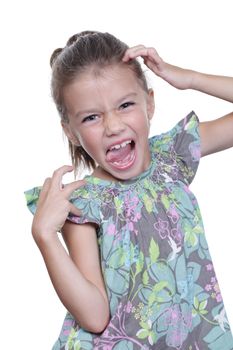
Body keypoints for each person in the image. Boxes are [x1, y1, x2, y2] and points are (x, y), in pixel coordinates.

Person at [25, 31, 233, 349]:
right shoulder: (82, 203)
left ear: (149, 103)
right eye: (92, 117)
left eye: (125, 105)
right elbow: (94, 317)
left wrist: (188, 78)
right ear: (71, 132)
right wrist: (45, 238)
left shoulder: (171, 157)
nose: (113, 126)